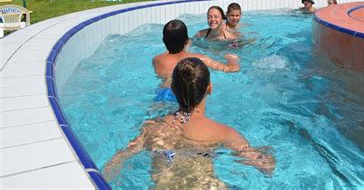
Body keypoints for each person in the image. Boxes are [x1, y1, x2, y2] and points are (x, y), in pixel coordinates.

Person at [104, 57, 275, 188]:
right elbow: (265, 166)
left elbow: (115, 163)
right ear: (209, 88)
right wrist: (267, 153)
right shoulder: (224, 133)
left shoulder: (153, 126)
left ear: (172, 89)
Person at [153, 20, 239, 89]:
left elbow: (173, 55)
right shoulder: (199, 59)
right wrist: (232, 59)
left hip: (162, 93)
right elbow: (230, 69)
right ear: (187, 41)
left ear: (164, 41)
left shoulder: (157, 60)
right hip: (187, 95)